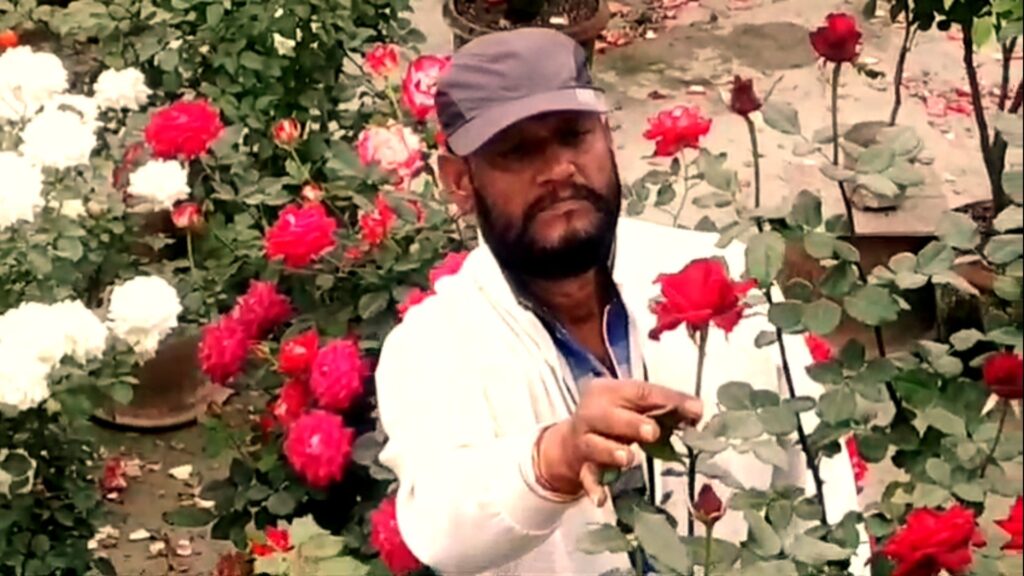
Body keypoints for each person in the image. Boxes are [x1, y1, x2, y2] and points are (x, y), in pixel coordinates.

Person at [375, 28, 866, 575]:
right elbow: (442, 526)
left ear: (606, 135)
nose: (559, 169)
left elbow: (821, 486)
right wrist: (556, 458)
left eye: (573, 136)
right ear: (460, 182)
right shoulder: (431, 347)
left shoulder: (721, 275)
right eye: (517, 152)